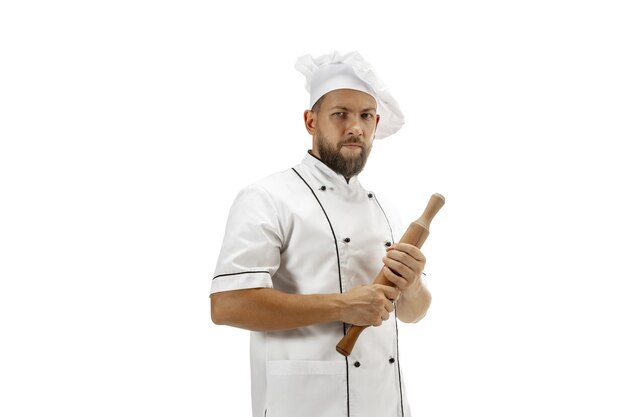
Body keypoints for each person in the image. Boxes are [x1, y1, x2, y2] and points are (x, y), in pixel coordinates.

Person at [210, 51, 432, 417]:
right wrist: (343, 305)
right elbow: (227, 304)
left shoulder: (387, 209)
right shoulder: (268, 197)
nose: (355, 127)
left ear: (376, 123)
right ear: (311, 121)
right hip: (305, 404)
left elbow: (413, 313)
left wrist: (413, 285)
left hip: (386, 405)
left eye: (365, 116)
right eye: (340, 114)